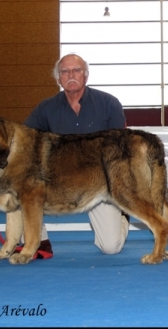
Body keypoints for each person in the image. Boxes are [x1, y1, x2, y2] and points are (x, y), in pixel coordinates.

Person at [23, 53, 130, 258]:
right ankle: (38, 239)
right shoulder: (45, 108)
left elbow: (120, 152)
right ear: (58, 78)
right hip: (58, 180)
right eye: (65, 71)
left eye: (76, 70)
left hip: (100, 184)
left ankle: (122, 215)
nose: (71, 74)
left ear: (86, 76)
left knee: (110, 247)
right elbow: (24, 141)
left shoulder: (109, 104)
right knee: (21, 189)